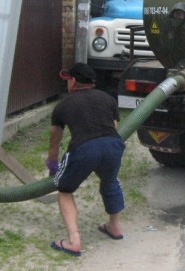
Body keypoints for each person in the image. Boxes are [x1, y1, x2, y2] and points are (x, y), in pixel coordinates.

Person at [46, 62, 126, 257]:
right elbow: (113, 127)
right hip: (114, 145)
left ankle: (73, 241)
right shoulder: (108, 99)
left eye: (68, 80)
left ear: (73, 82)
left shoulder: (63, 105)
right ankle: (114, 227)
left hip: (84, 148)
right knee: (110, 180)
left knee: (64, 190)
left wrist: (53, 165)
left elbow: (54, 142)